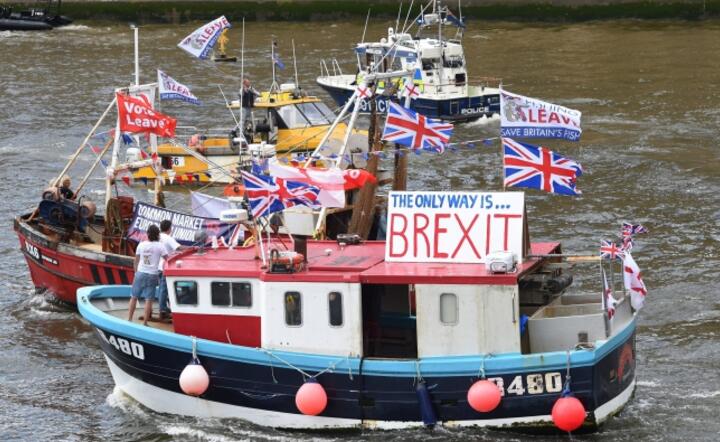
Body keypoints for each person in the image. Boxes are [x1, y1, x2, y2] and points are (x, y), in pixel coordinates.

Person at [128, 224, 167, 326]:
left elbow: (135, 261)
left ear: (148, 234)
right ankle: (145, 322)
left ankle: (129, 319)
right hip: (152, 275)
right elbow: (168, 259)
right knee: (148, 300)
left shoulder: (141, 245)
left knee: (134, 297)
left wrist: (136, 272)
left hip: (140, 273)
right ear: (158, 235)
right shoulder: (160, 246)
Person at [157, 219, 188, 322]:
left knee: (163, 289)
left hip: (158, 266)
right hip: (165, 267)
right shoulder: (168, 238)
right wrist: (193, 248)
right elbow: (179, 248)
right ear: (169, 228)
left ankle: (165, 308)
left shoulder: (158, 237)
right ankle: (162, 310)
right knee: (164, 289)